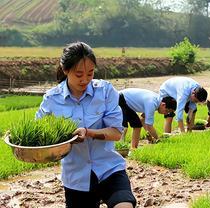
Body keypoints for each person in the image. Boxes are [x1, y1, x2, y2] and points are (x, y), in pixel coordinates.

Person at [36, 42, 136, 208]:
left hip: (109, 169)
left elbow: (117, 132)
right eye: (79, 74)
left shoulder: (105, 91)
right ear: (65, 69)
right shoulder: (52, 99)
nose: (85, 80)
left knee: (124, 205)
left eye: (90, 73)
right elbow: (38, 132)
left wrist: (88, 132)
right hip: (76, 177)